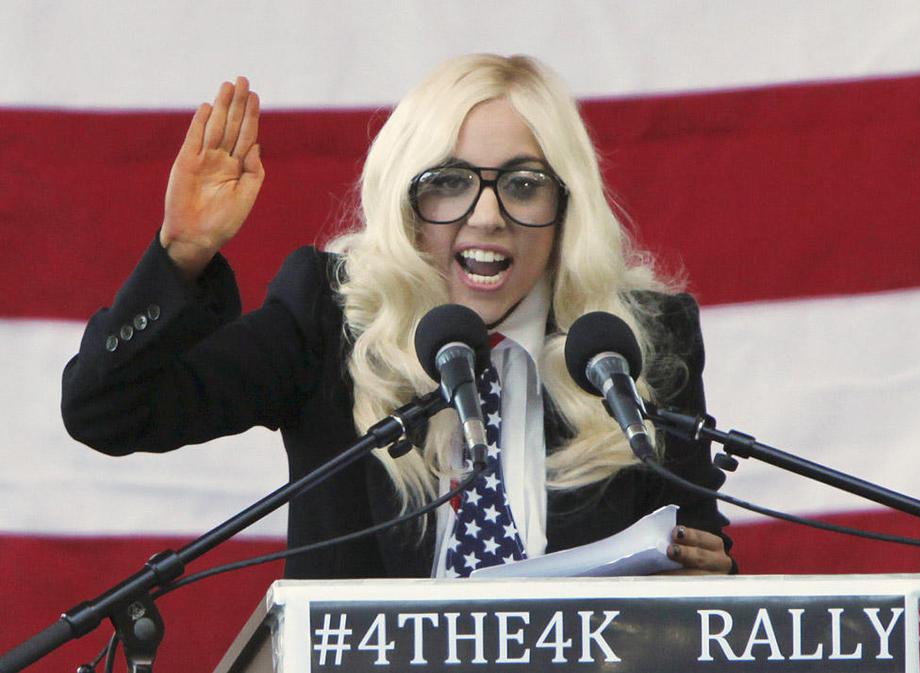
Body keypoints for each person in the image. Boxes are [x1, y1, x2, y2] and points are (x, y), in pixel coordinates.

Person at [61, 54, 734, 579]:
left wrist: (711, 579)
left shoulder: (633, 343)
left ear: (567, 206)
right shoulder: (331, 317)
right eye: (450, 182)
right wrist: (182, 254)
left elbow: (696, 558)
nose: (487, 215)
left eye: (524, 185)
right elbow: (109, 412)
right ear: (405, 202)